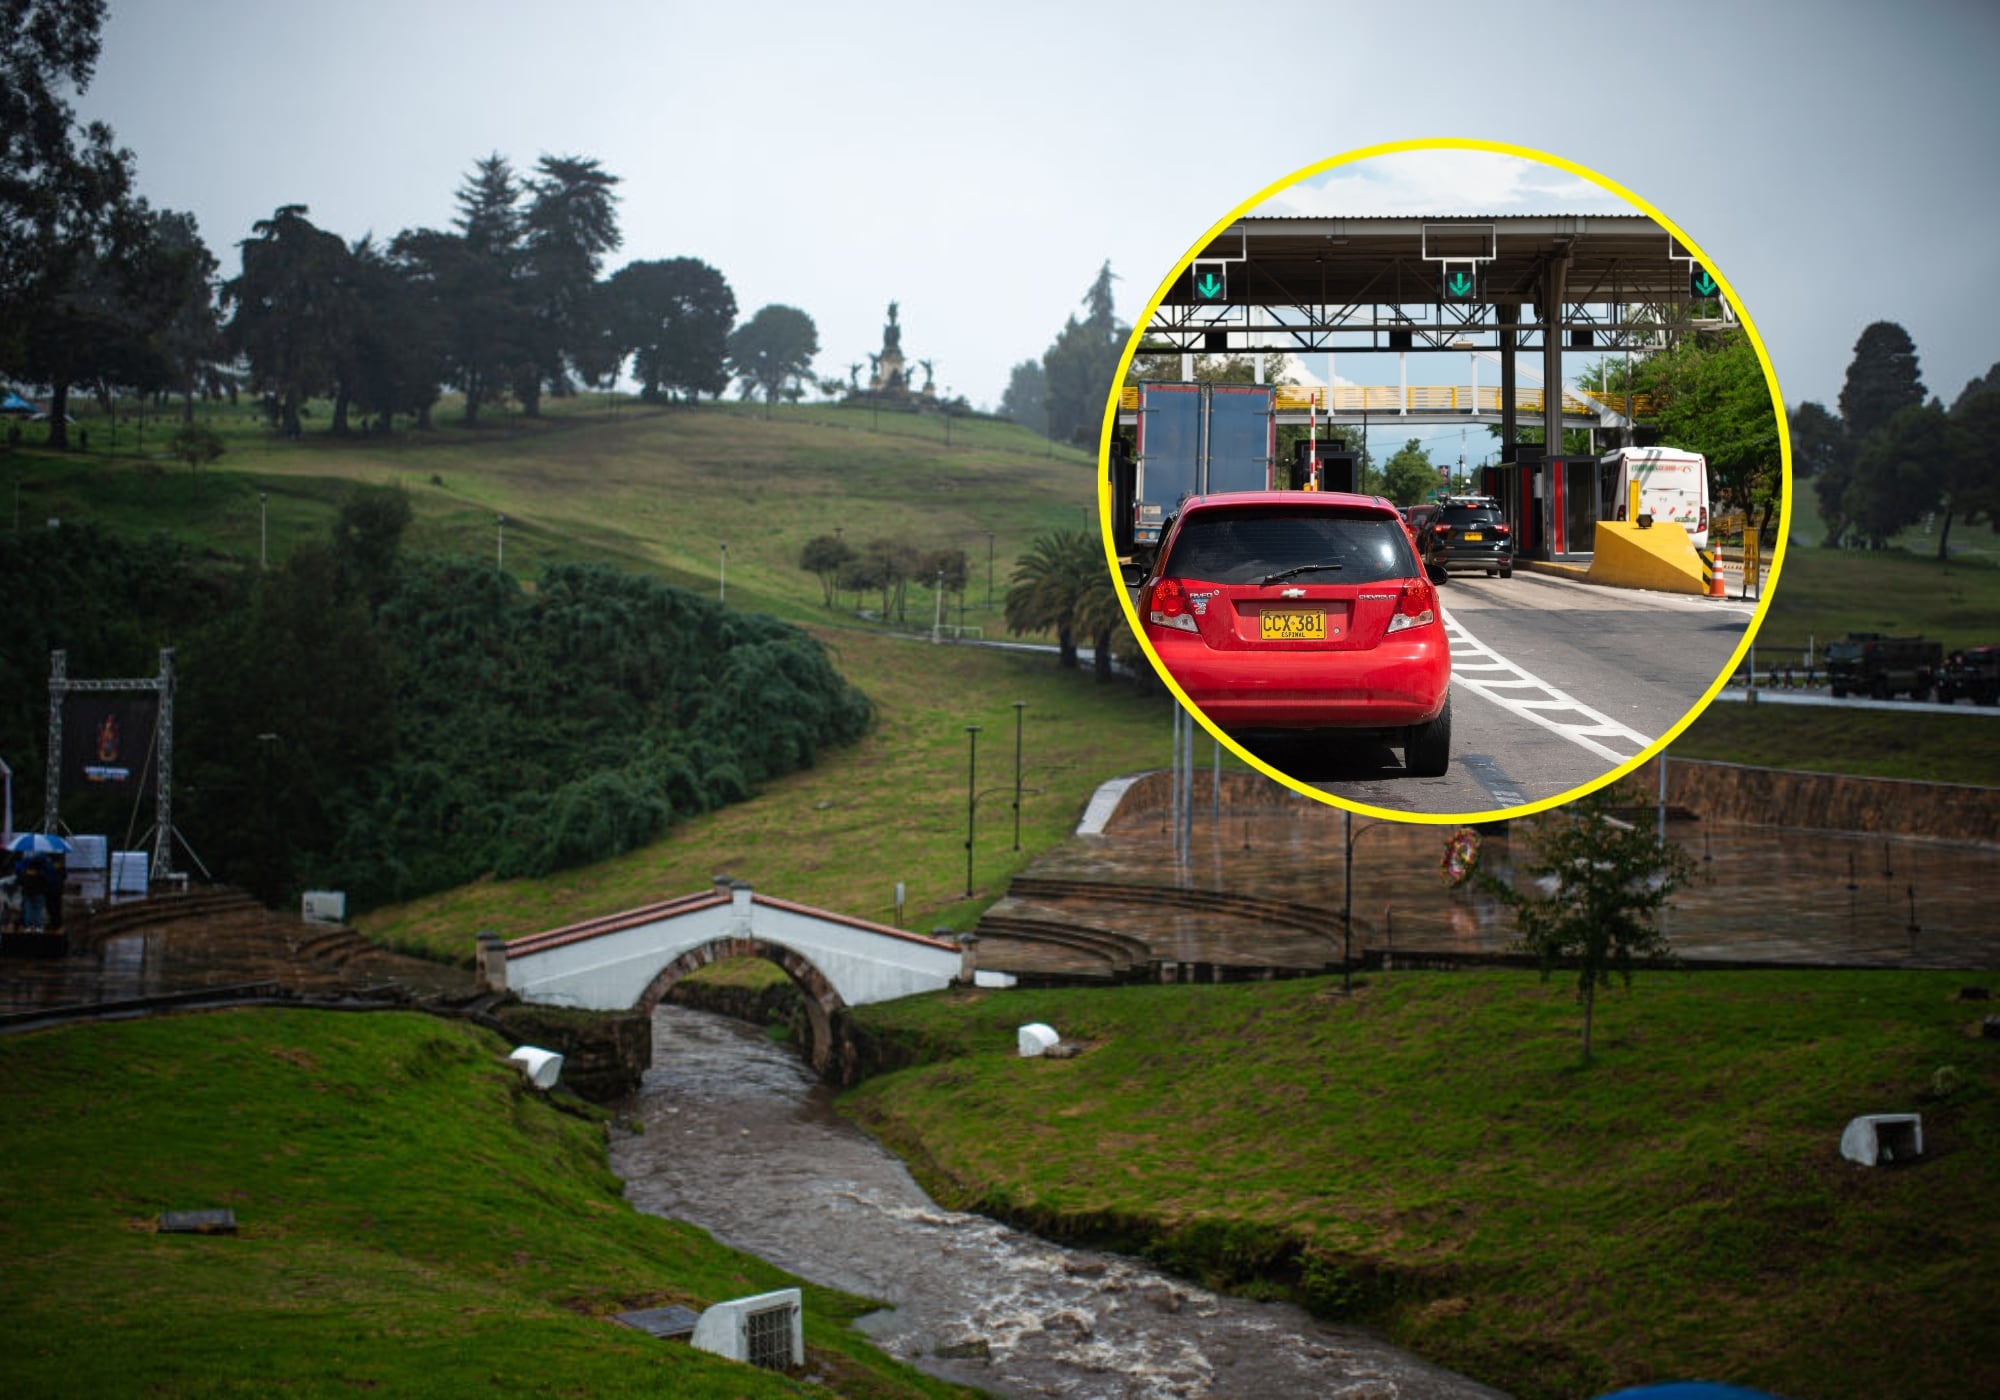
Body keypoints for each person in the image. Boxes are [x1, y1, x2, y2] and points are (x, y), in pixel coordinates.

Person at [18, 851, 48, 932]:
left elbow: (21, 882)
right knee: (38, 910)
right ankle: (38, 926)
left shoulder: (25, 872)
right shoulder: (41, 873)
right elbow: (45, 882)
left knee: (28, 910)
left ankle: (28, 927)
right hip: (39, 893)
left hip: (27, 893)